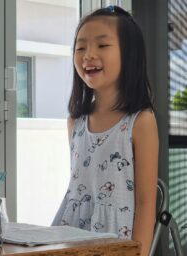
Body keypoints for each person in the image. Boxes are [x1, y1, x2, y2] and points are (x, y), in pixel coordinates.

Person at [52, 6, 158, 256]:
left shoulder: (141, 121)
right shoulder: (75, 122)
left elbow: (145, 203)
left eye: (102, 45)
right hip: (70, 234)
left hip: (114, 241)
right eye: (80, 47)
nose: (88, 55)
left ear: (129, 55)